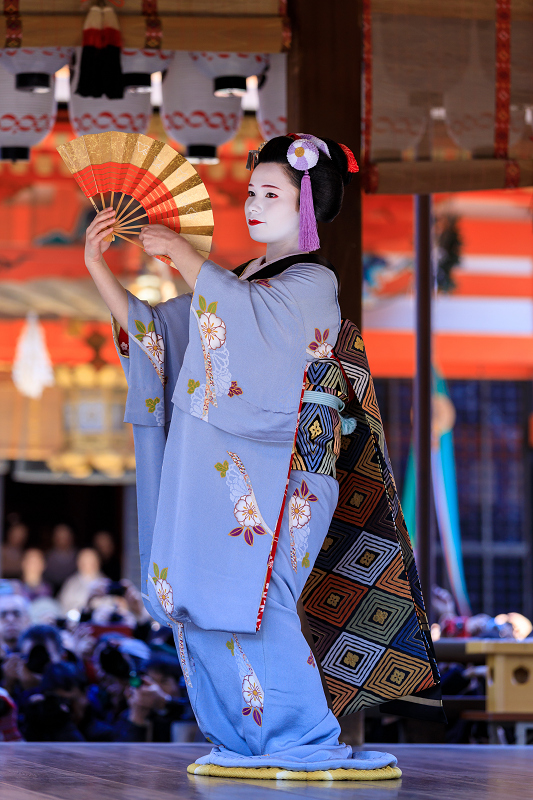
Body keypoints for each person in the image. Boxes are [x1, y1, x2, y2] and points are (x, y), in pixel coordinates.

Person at [83, 134, 438, 778]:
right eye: (250, 192)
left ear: (306, 203)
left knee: (263, 596)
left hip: (293, 463)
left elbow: (250, 332)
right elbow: (161, 338)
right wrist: (98, 267)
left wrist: (189, 261)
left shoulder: (313, 282)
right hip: (239, 467)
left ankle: (305, 737)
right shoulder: (241, 279)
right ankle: (248, 740)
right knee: (204, 597)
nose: (253, 205)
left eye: (270, 193)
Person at [58, 548, 103, 614]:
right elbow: (62, 605)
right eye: (84, 562)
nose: (88, 565)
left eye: (91, 562)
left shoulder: (105, 583)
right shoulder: (71, 583)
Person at [44, 524, 77, 594]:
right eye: (59, 537)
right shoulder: (47, 557)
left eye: (65, 537)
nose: (62, 540)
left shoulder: (78, 557)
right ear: (54, 538)